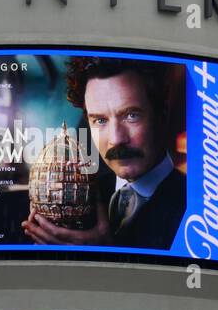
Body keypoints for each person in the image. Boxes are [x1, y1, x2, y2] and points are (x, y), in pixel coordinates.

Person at [22, 57, 186, 250]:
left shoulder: (198, 207)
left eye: (131, 115)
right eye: (100, 120)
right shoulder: (80, 195)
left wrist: (107, 253)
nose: (116, 139)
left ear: (162, 114)